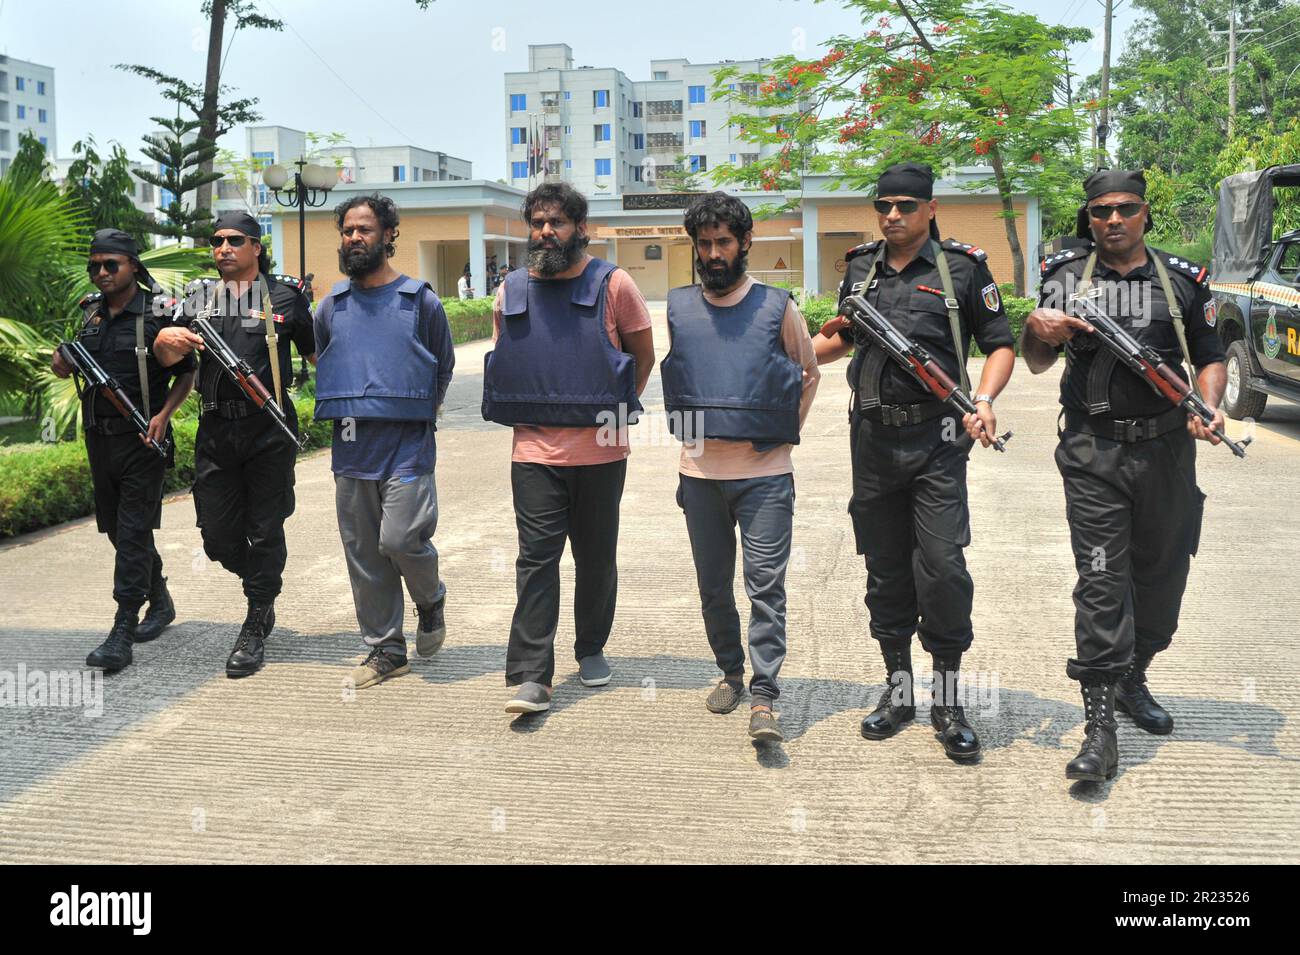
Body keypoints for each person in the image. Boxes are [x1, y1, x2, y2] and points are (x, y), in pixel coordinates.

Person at [1023, 168, 1226, 783]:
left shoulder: (1184, 280)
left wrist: (1209, 404)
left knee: (1161, 580)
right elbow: (1036, 362)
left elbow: (1211, 357)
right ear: (1088, 218)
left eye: (1126, 209)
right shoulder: (1063, 278)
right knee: (1103, 581)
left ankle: (1136, 675)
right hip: (1093, 454)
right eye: (1101, 211)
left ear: (1144, 214)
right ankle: (1100, 725)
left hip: (1166, 453)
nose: (1113, 220)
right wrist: (1037, 328)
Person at [814, 162, 1015, 761]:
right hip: (872, 440)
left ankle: (947, 699)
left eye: (905, 205)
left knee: (943, 565)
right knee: (884, 566)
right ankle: (899, 690)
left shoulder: (962, 270)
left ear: (930, 208)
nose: (893, 215)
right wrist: (791, 349)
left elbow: (1000, 343)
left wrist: (983, 399)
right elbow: (841, 339)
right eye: (884, 206)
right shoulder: (860, 267)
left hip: (938, 440)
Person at [482, 182, 655, 714]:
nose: (545, 232)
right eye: (536, 223)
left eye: (556, 222)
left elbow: (642, 357)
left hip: (601, 452)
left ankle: (591, 646)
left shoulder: (614, 284)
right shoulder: (510, 289)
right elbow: (511, 362)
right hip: (533, 453)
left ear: (581, 228)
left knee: (596, 558)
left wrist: (605, 407)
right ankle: (532, 674)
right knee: (536, 560)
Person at [660, 191, 819, 743]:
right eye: (704, 244)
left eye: (723, 242)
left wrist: (775, 435)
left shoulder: (778, 306)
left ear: (745, 242)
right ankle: (730, 670)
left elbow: (807, 374)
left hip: (765, 476)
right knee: (712, 587)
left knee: (764, 586)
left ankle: (765, 695)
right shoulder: (678, 308)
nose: (713, 253)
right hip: (700, 476)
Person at [153, 211, 316, 678]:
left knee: (266, 528)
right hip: (216, 430)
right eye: (217, 240)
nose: (223, 247)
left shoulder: (285, 295)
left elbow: (316, 354)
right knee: (217, 537)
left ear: (256, 247)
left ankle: (255, 619)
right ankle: (262, 585)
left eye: (235, 240)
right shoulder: (197, 298)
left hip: (268, 428)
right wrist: (165, 339)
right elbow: (170, 360)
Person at [313, 194, 455, 689]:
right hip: (351, 449)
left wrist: (415, 411)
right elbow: (327, 364)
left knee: (399, 539)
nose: (354, 238)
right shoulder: (330, 307)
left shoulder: (421, 301)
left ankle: (431, 598)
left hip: (408, 447)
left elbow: (442, 365)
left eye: (365, 230)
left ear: (389, 235)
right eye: (347, 230)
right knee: (365, 555)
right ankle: (386, 649)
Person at [51, 229, 195, 670]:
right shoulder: (90, 315)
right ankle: (161, 598)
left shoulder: (158, 312)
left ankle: (122, 629)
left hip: (142, 441)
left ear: (133, 265)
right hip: (100, 438)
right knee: (117, 529)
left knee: (132, 533)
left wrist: (164, 416)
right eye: (94, 265)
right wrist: (61, 363)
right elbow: (66, 366)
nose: (101, 273)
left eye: (110, 264)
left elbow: (186, 374)